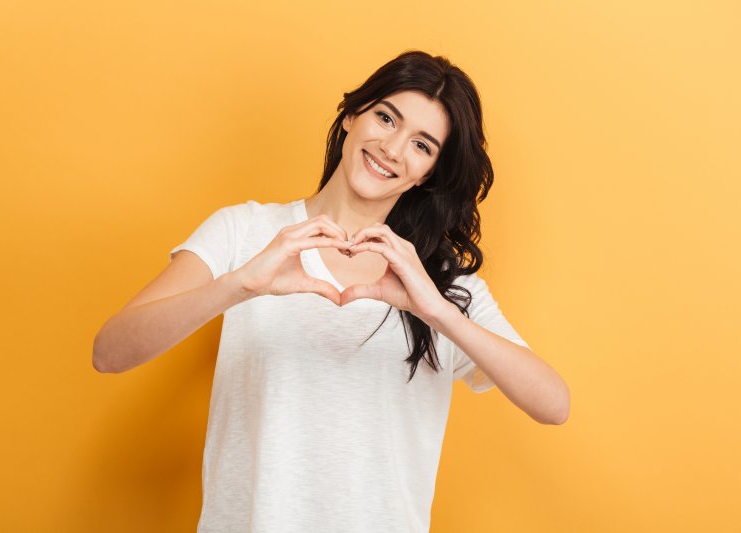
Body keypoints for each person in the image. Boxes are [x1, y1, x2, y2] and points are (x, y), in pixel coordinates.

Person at [93, 49, 570, 533]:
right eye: (386, 117)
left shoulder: (443, 286)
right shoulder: (245, 231)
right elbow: (110, 351)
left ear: (427, 173)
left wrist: (438, 312)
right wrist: (238, 286)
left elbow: (554, 405)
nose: (393, 148)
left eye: (422, 145)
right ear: (350, 116)